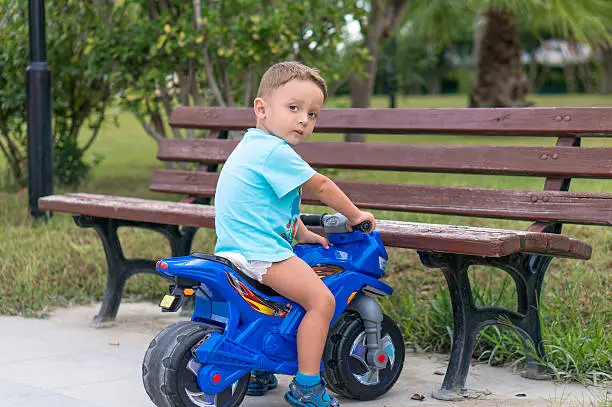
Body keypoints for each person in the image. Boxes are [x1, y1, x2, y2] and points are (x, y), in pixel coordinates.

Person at [214, 61, 376, 407]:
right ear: (262, 108)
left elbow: (270, 206)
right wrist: (355, 215)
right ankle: (307, 385)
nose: (304, 119)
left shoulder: (251, 146)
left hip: (234, 250)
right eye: (294, 108)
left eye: (313, 114)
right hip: (262, 253)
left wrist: (302, 233)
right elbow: (321, 185)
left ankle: (257, 370)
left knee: (275, 306)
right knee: (321, 301)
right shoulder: (275, 151)